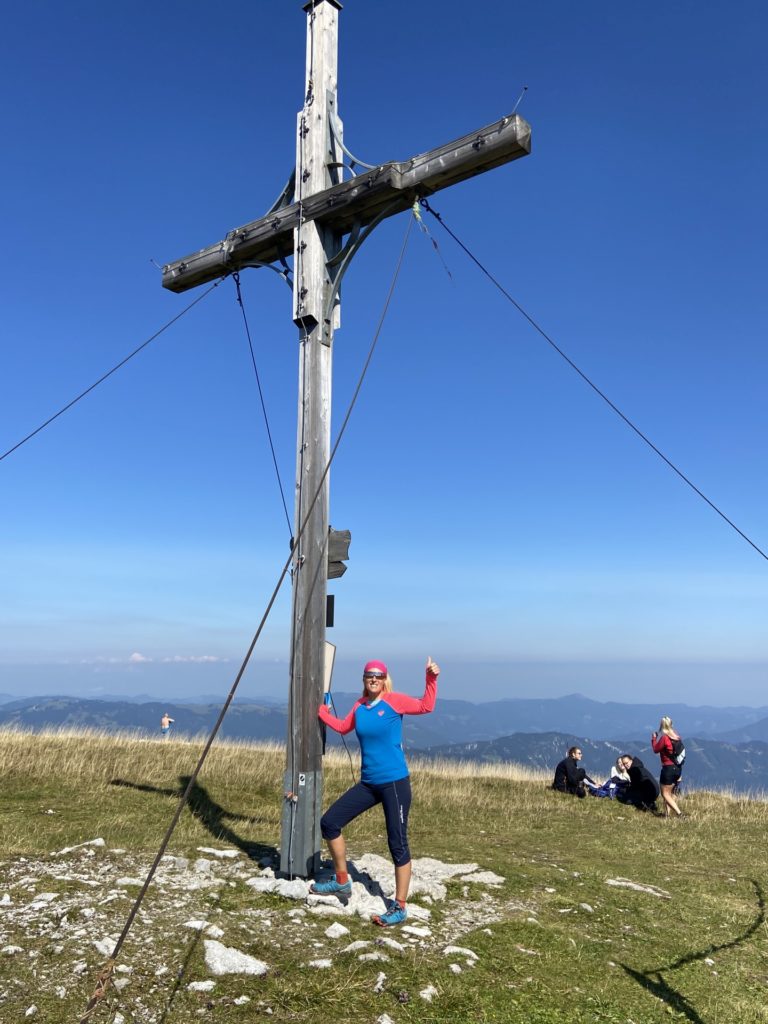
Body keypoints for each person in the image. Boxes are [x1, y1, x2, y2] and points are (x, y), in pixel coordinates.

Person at [311, 656, 439, 927]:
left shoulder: (394, 701)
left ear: (385, 679)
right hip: (368, 783)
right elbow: (345, 727)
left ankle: (400, 906)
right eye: (369, 674)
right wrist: (323, 715)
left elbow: (427, 706)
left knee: (397, 843)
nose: (374, 679)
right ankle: (342, 881)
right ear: (364, 679)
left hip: (395, 783)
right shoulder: (359, 706)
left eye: (378, 675)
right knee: (330, 822)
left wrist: (431, 679)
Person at [651, 717, 684, 818]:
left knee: (665, 793)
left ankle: (680, 814)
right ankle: (667, 815)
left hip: (668, 769)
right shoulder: (677, 737)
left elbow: (656, 749)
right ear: (671, 724)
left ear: (661, 725)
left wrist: (653, 739)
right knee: (669, 793)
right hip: (677, 768)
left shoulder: (665, 738)